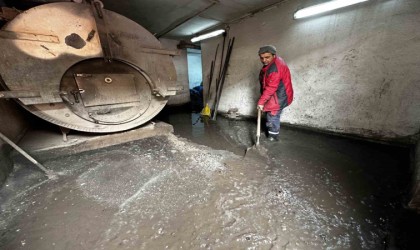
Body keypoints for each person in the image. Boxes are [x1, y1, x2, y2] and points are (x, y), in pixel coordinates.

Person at [257, 45, 293, 141]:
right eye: (262, 58)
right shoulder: (272, 62)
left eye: (267, 57)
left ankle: (273, 137)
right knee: (269, 114)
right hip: (276, 94)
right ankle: (269, 130)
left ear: (274, 55)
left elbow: (271, 87)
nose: (264, 60)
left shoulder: (275, 68)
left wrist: (261, 102)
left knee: (272, 116)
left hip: (279, 96)